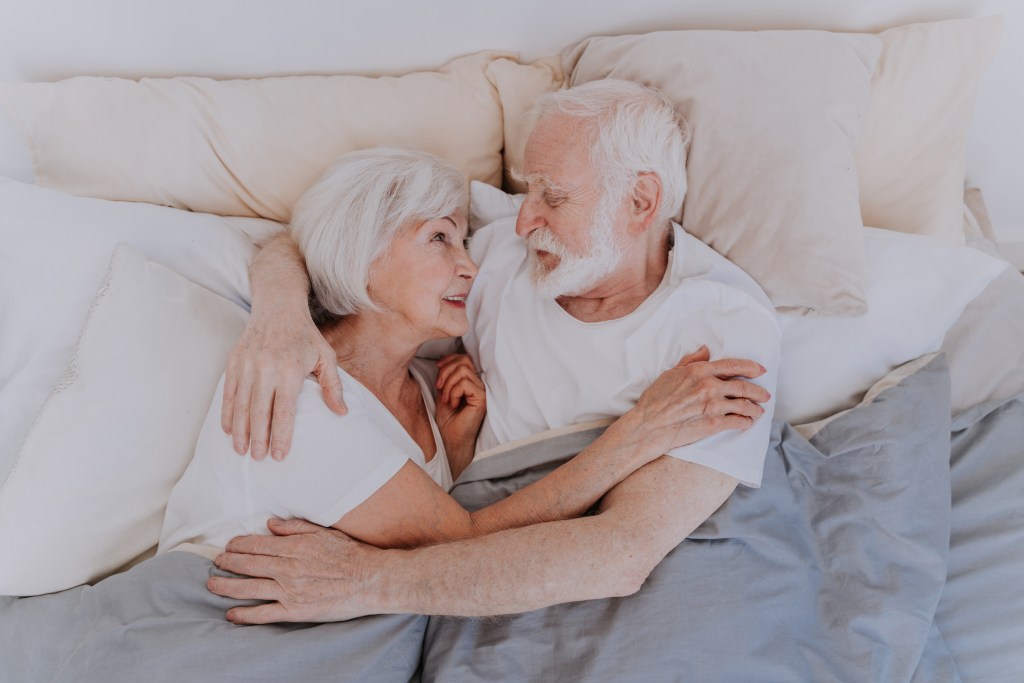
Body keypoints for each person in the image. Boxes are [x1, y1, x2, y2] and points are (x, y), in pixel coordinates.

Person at [208, 80, 780, 623]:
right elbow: (328, 235)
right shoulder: (499, 252)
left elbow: (622, 552)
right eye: (527, 189)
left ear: (639, 200)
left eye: (553, 196)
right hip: (470, 558)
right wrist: (280, 316)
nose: (525, 220)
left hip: (586, 576)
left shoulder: (722, 324)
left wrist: (369, 579)